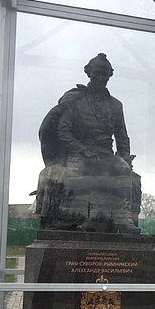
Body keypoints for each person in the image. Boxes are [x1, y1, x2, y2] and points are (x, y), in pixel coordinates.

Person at [36, 53, 139, 233]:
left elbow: (122, 136)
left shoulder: (116, 105)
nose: (101, 78)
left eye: (105, 74)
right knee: (73, 174)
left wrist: (125, 157)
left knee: (123, 170)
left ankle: (122, 217)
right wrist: (82, 150)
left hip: (105, 155)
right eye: (97, 73)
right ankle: (73, 218)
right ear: (89, 73)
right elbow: (64, 132)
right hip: (79, 154)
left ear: (109, 76)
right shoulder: (75, 100)